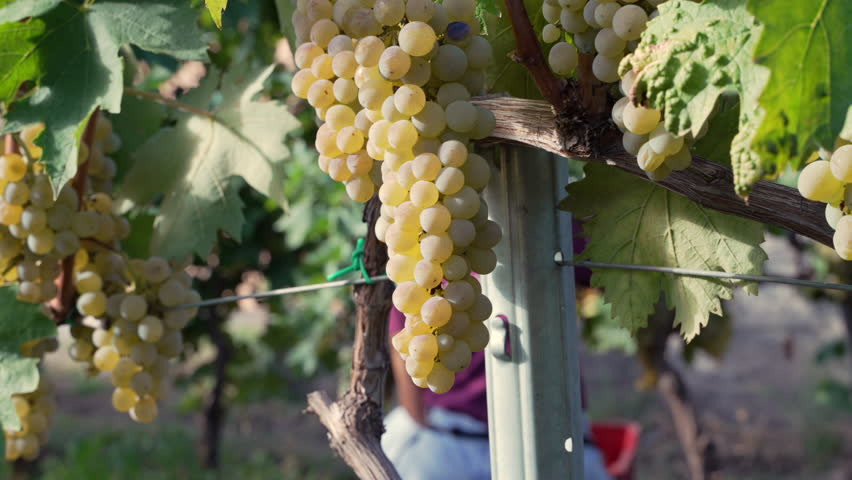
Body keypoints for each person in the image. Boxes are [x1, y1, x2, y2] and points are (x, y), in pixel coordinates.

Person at [382, 305, 613, 480]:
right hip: (552, 440)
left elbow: (411, 397)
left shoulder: (421, 273)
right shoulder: (553, 243)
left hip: (453, 443)